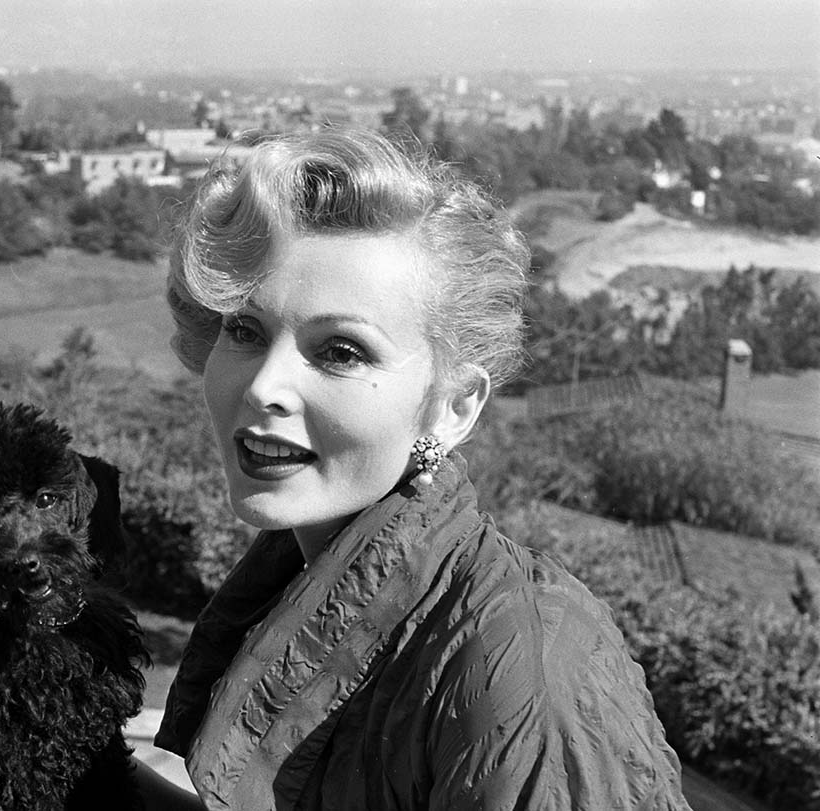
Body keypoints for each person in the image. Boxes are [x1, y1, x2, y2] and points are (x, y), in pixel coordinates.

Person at [136, 127, 690, 810]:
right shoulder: (289, 581)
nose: (262, 387)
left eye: (340, 351)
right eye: (245, 331)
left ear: (453, 405)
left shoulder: (520, 671)